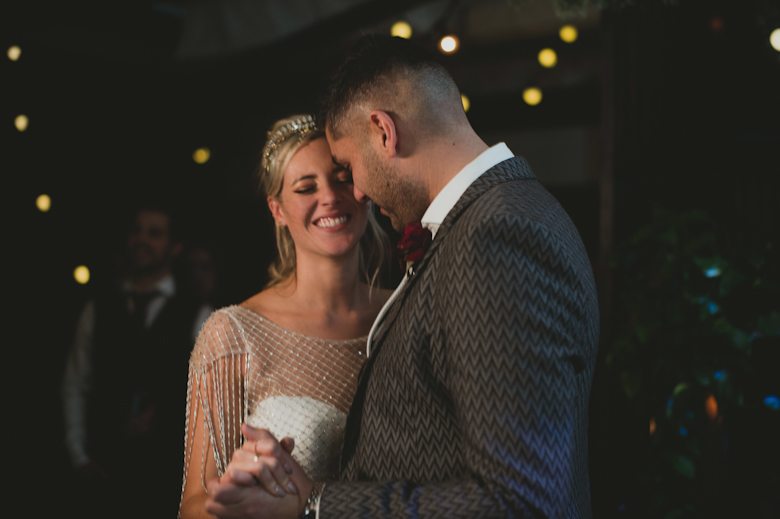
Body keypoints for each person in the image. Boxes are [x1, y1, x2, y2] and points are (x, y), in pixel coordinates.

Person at [206, 35, 600, 519]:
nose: (360, 192)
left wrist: (316, 503)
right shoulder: (502, 216)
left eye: (349, 168)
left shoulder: (494, 239)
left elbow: (518, 501)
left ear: (384, 132)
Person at [179, 114, 392, 519]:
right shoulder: (234, 333)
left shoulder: (404, 311)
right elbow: (193, 505)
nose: (330, 197)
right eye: (306, 187)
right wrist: (240, 499)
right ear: (277, 210)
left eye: (342, 178)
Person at [62, 203, 212, 519]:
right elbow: (76, 383)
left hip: (166, 484)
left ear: (175, 247)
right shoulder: (98, 308)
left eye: (154, 233)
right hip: (102, 477)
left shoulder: (199, 315)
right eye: (136, 230)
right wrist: (79, 455)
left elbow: (213, 402)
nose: (141, 239)